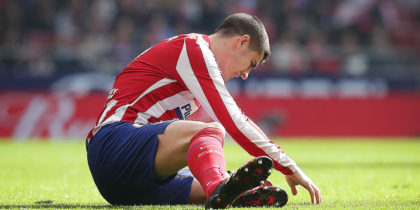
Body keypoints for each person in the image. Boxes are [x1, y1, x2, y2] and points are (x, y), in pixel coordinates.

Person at [86, 13, 321, 208]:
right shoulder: (193, 48)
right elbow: (234, 122)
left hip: (128, 183)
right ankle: (221, 189)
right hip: (113, 144)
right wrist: (288, 165)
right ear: (242, 42)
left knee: (221, 182)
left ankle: (231, 191)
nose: (246, 74)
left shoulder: (193, 65)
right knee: (212, 131)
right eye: (251, 63)